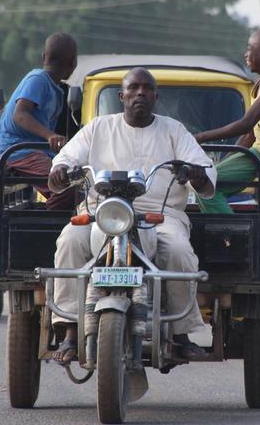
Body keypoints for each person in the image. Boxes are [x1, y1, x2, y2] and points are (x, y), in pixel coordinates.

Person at [47, 68, 217, 365]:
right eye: (134, 88)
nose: (140, 93)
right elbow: (66, 158)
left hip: (160, 216)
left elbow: (203, 170)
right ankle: (70, 331)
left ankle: (180, 334)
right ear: (121, 96)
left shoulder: (174, 130)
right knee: (69, 241)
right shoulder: (98, 127)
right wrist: (61, 171)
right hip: (101, 212)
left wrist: (196, 174)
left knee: (179, 251)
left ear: (155, 96)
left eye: (147, 88)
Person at [194, 26, 260, 213]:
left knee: (205, 184)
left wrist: (200, 137)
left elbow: (246, 123)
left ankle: (229, 237)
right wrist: (225, 162)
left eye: (250, 48)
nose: (245, 54)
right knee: (210, 184)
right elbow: (250, 135)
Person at [0, 32, 78, 210]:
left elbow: (4, 114)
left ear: (43, 57)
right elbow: (20, 115)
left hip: (34, 150)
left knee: (79, 179)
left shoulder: (55, 87)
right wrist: (50, 136)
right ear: (73, 62)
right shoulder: (38, 79)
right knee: (67, 186)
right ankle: (49, 228)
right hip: (18, 149)